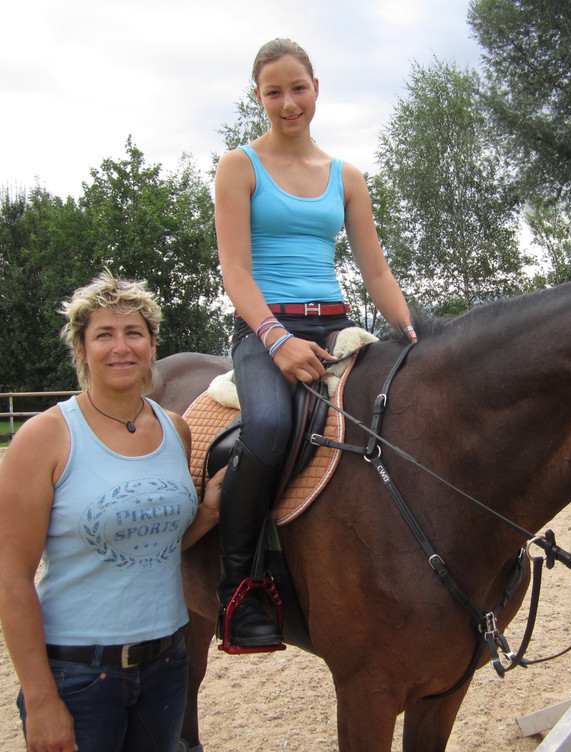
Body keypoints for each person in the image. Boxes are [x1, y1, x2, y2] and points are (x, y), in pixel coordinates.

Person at [214, 37, 417, 651]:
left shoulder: (345, 176)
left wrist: (411, 332)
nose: (288, 102)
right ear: (258, 97)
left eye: (297, 88)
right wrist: (276, 340)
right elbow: (234, 271)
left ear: (316, 89)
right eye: (274, 92)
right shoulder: (239, 166)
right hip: (264, 328)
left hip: (334, 324)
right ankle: (238, 587)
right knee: (270, 426)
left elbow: (375, 269)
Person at [0, 273, 222, 752]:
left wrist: (206, 514)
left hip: (165, 666)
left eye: (134, 333)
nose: (121, 347)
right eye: (104, 335)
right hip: (78, 673)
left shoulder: (175, 431)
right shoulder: (44, 438)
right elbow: (12, 578)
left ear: (152, 345)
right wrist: (40, 698)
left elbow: (154, 547)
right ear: (81, 348)